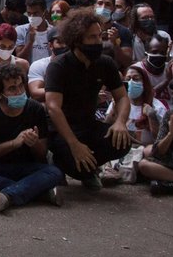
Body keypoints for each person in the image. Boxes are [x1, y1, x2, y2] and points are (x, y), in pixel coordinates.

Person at [43, 10, 132, 190]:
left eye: (99, 36)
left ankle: (88, 167)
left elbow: (122, 96)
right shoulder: (59, 66)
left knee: (122, 141)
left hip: (89, 125)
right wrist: (74, 144)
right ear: (76, 40)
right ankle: (60, 162)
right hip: (61, 130)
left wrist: (121, 122)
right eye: (92, 37)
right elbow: (53, 108)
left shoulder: (105, 63)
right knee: (72, 158)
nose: (98, 41)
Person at [0, 64, 65, 211]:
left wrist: (33, 143)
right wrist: (14, 143)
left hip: (27, 165)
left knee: (55, 173)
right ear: (0, 94)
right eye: (12, 89)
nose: (20, 92)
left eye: (21, 86)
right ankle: (40, 192)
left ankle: (6, 197)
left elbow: (42, 152)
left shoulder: (35, 109)